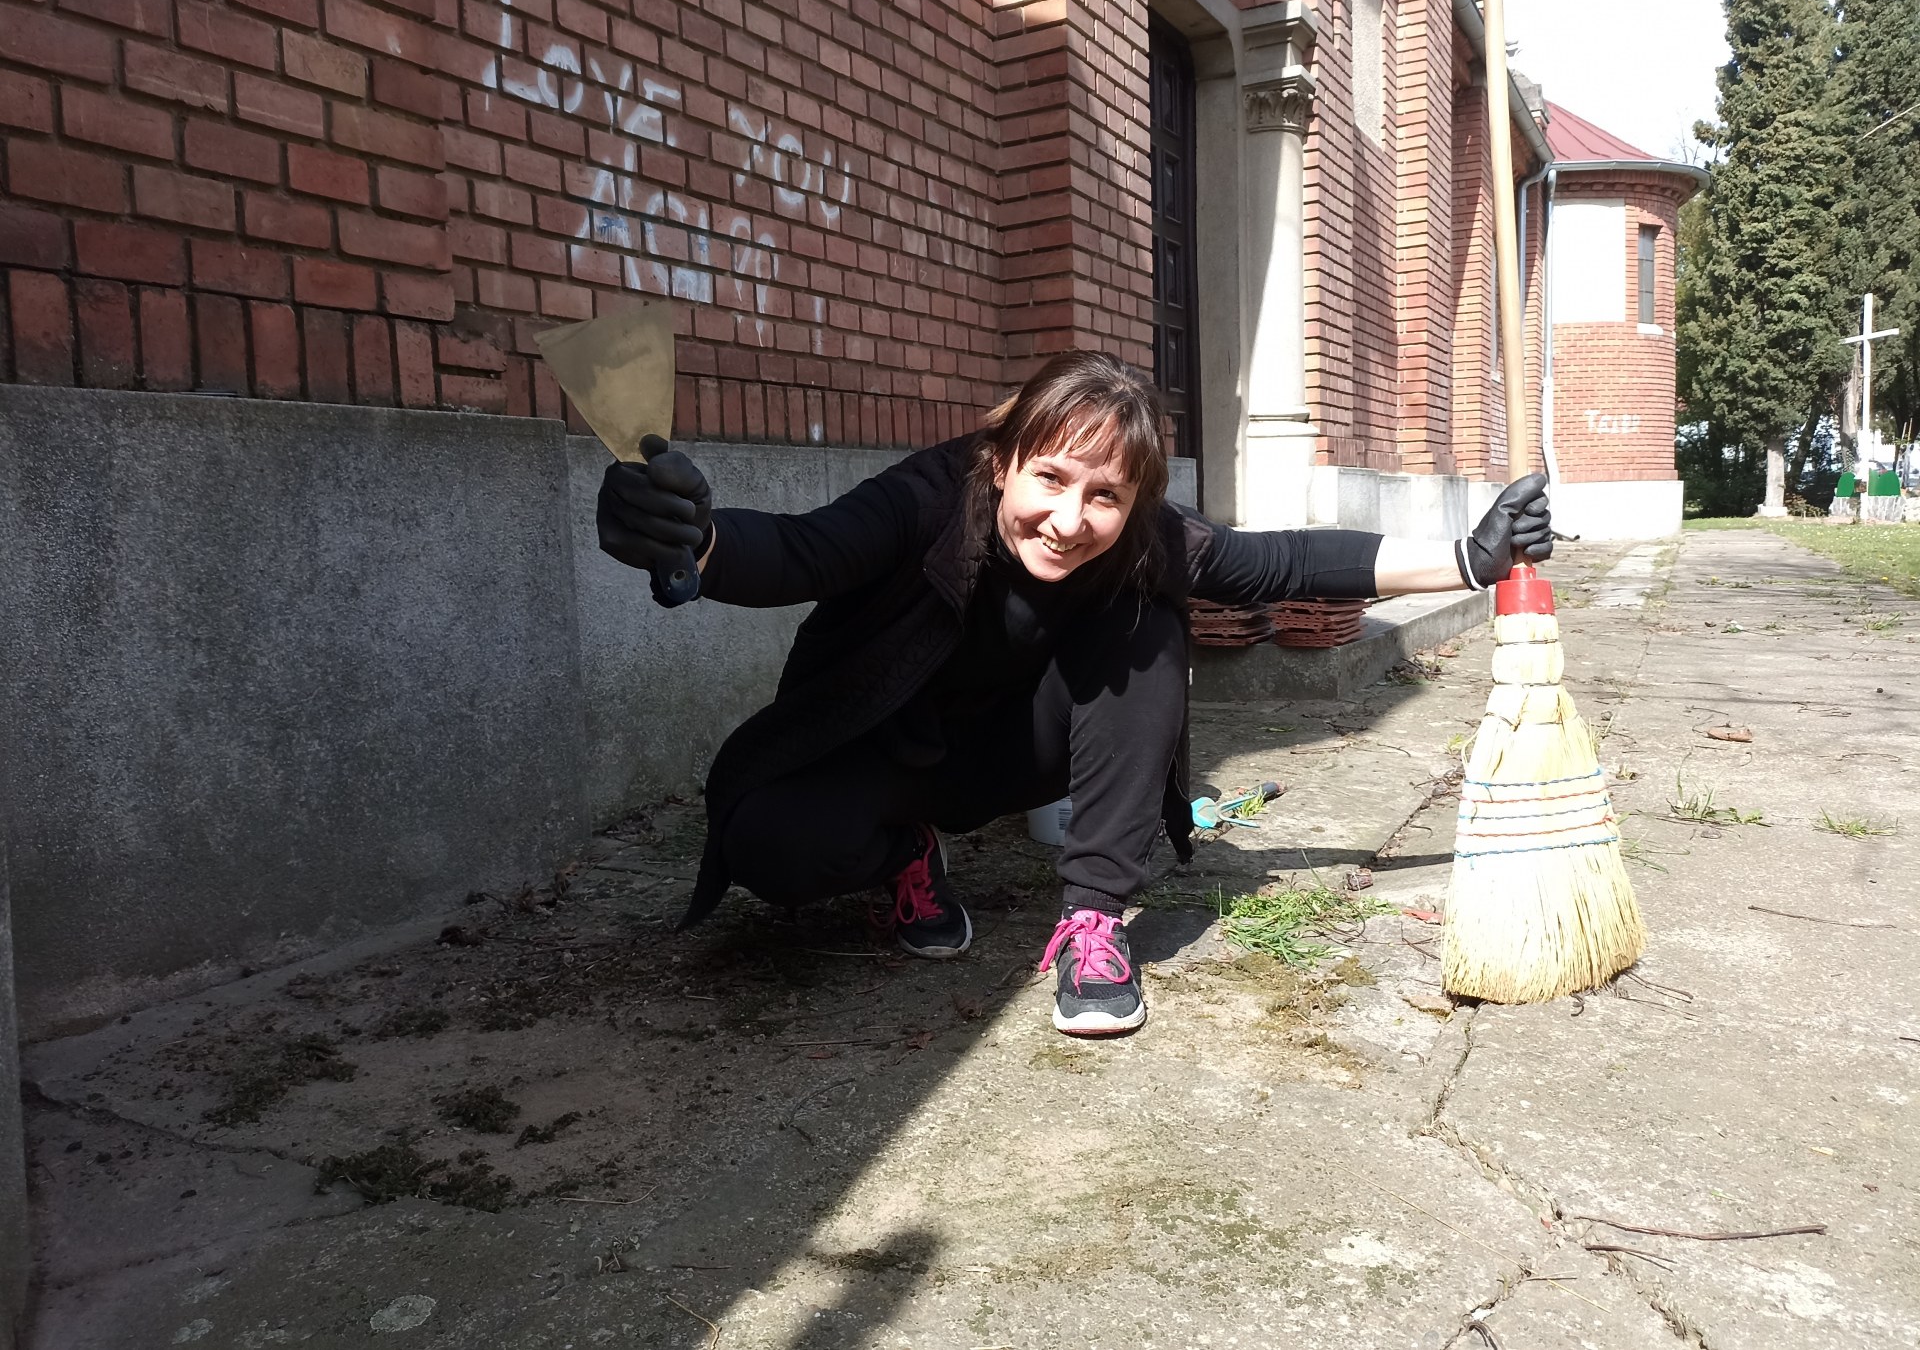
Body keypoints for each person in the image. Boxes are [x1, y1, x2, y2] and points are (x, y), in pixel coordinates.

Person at [596, 351, 1550, 1036]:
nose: (1068, 519)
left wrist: (1471, 557)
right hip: (888, 747)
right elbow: (804, 551)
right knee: (770, 845)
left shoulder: (1140, 541)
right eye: (1049, 478)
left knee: (1150, 619)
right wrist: (694, 541)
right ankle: (905, 857)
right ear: (1001, 460)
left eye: (1104, 495)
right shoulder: (927, 497)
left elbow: (1278, 561)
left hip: (1019, 757)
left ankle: (1093, 916)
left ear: (1133, 499)